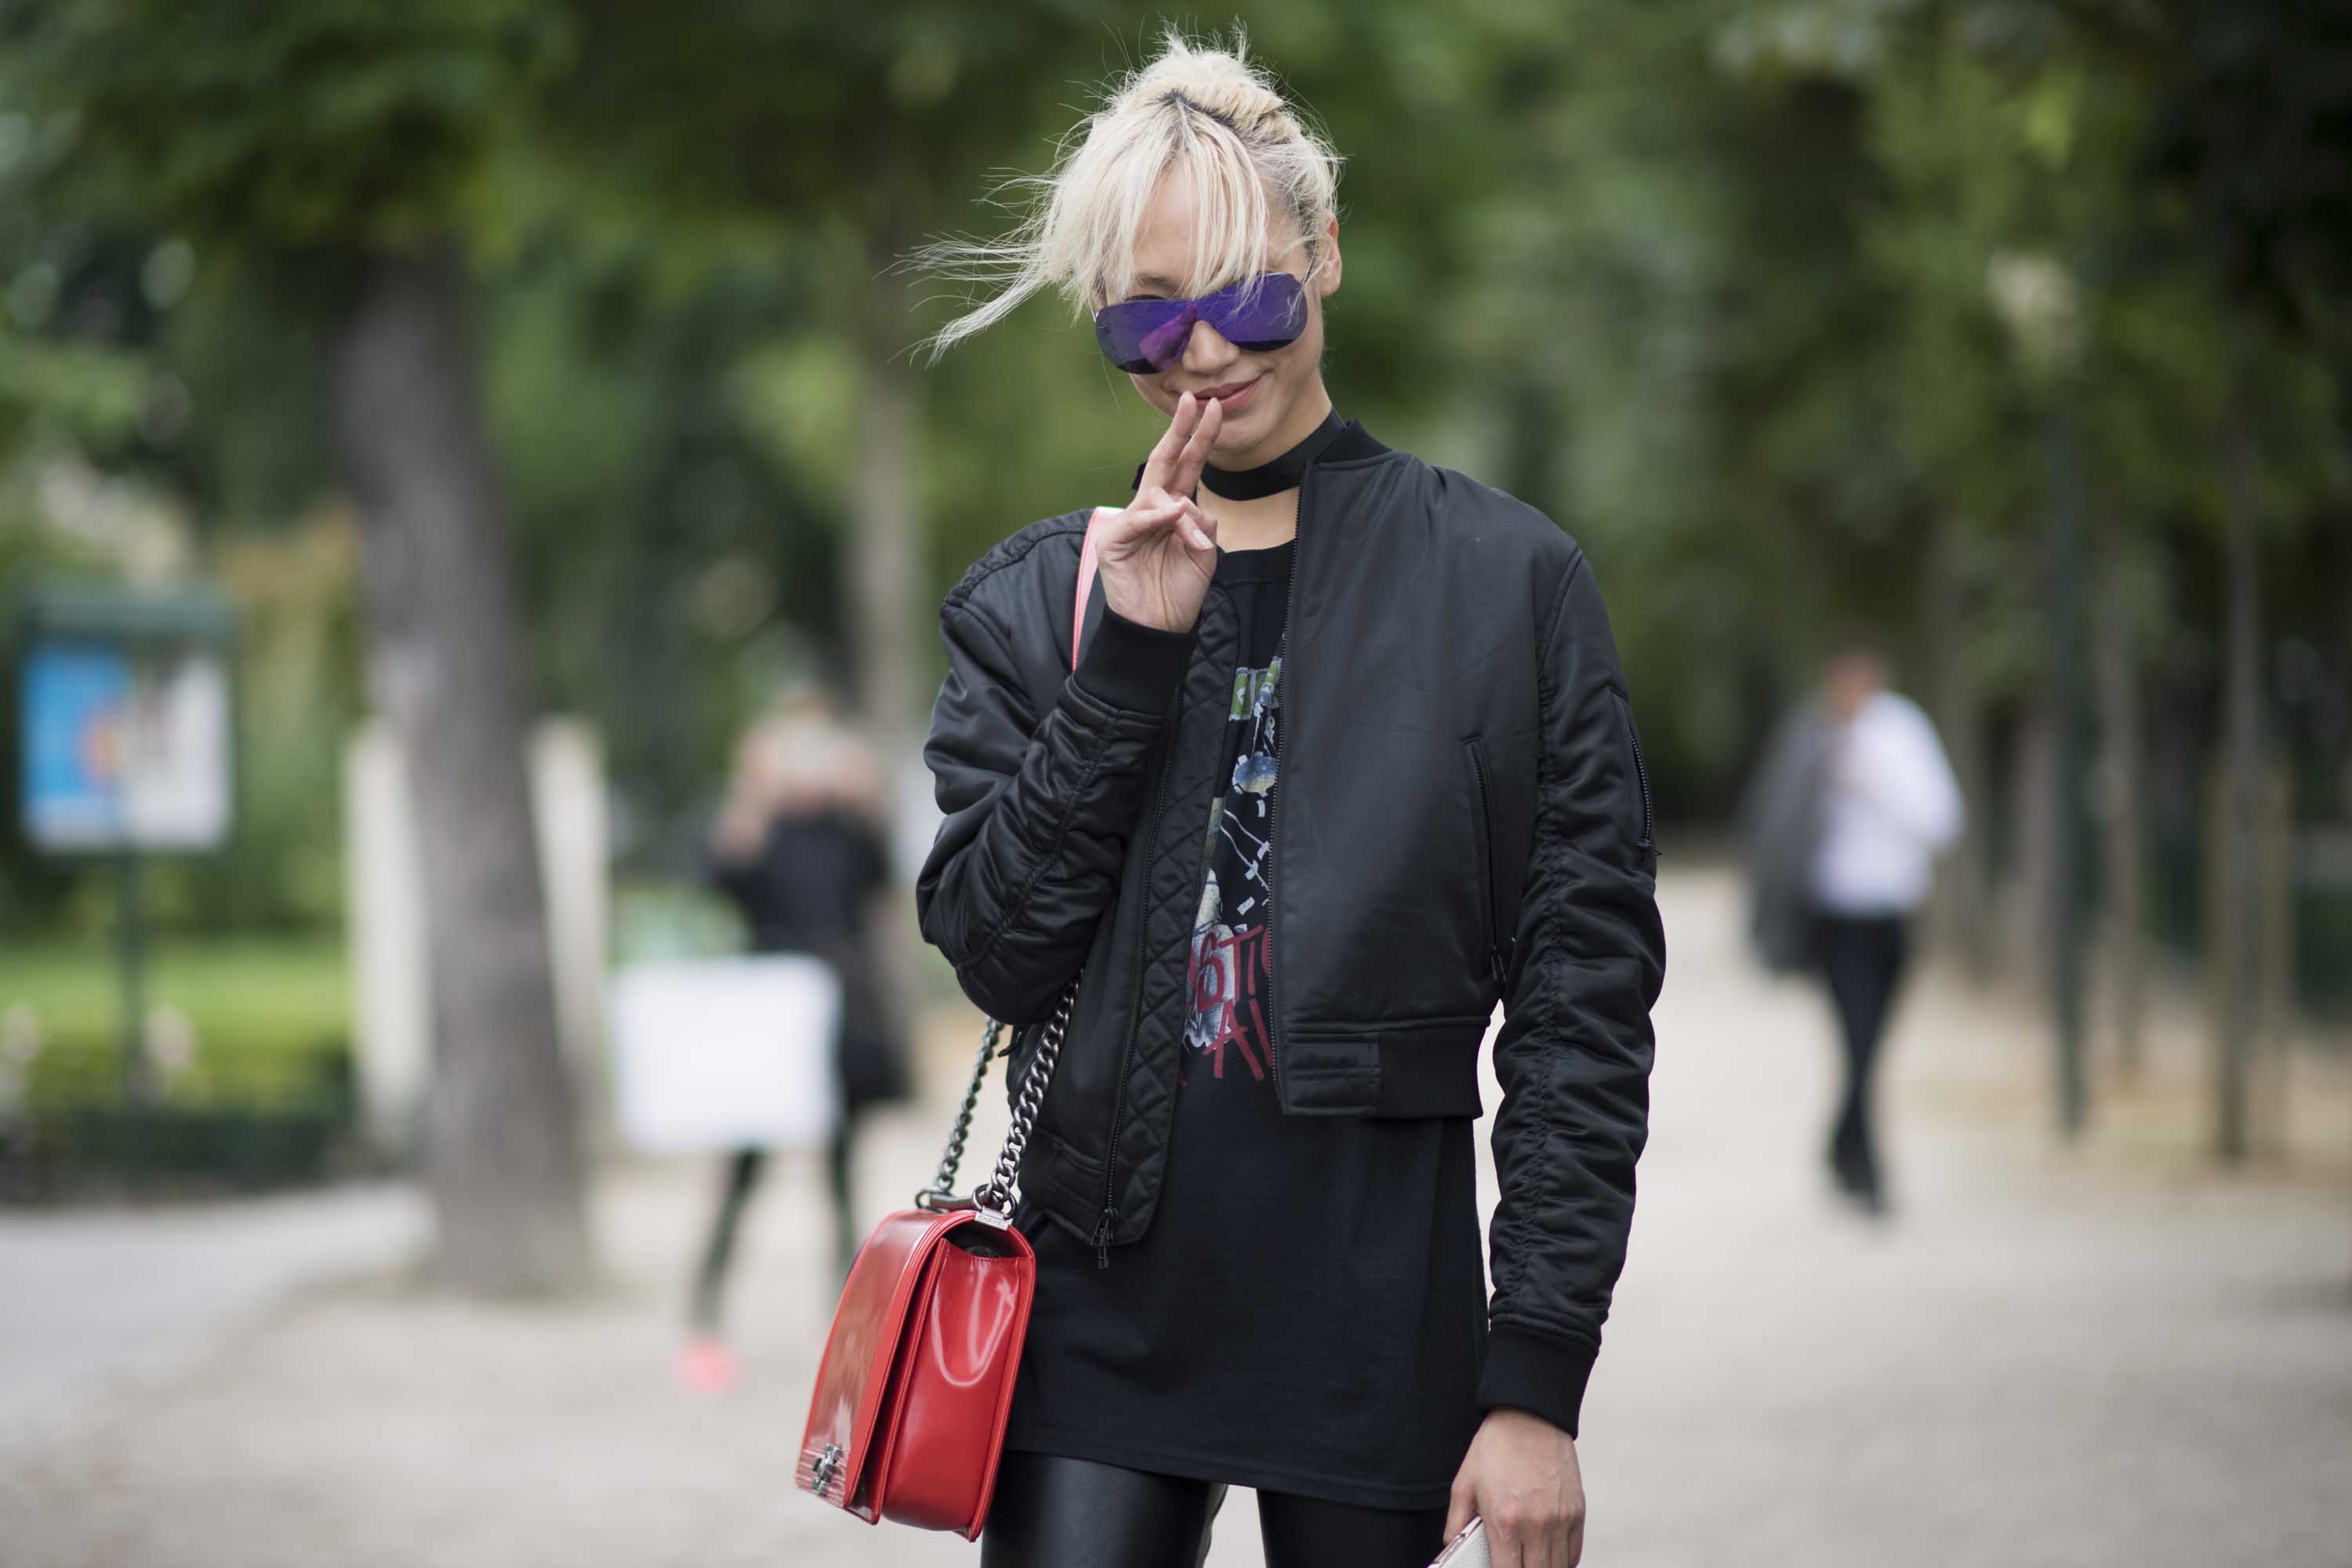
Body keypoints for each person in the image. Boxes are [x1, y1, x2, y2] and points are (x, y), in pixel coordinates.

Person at [913, 31, 1664, 1568]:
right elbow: (999, 949)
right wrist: (1128, 659)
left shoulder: (1503, 586)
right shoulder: (1037, 600)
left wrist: (1536, 1378)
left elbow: (1586, 999)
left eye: (1246, 295)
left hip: (1373, 1318)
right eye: (1150, 317)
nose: (1202, 354)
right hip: (1095, 1320)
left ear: (1324, 256)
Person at [680, 688, 910, 1392]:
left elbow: (885, 877)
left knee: (842, 1182)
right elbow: (716, 875)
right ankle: (703, 1323)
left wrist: (862, 788)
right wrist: (752, 791)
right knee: (741, 1178)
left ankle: (843, 1328)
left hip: (837, 1021)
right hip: (768, 1028)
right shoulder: (761, 826)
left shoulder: (846, 830)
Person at [1749, 648, 1961, 1216]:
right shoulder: (1809, 738)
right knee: (1856, 1037)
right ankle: (1869, 1171)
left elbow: (1941, 821)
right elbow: (1774, 829)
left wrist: (1868, 780)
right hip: (1834, 918)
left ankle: (1841, 1145)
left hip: (1892, 912)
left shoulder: (1902, 734)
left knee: (1870, 1042)